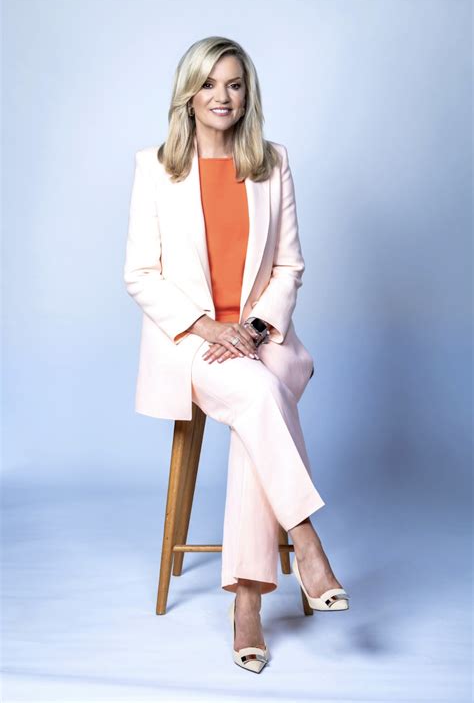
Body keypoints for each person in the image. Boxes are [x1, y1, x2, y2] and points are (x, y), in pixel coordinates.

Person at [124, 35, 349, 674]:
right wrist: (207, 327)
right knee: (260, 395)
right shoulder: (155, 167)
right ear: (188, 94)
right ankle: (305, 540)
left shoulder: (272, 163)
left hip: (260, 339)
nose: (221, 96)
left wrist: (251, 327)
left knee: (260, 401)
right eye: (209, 84)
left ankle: (247, 604)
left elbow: (289, 265)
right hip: (191, 345)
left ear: (248, 94)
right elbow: (140, 274)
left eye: (234, 83)